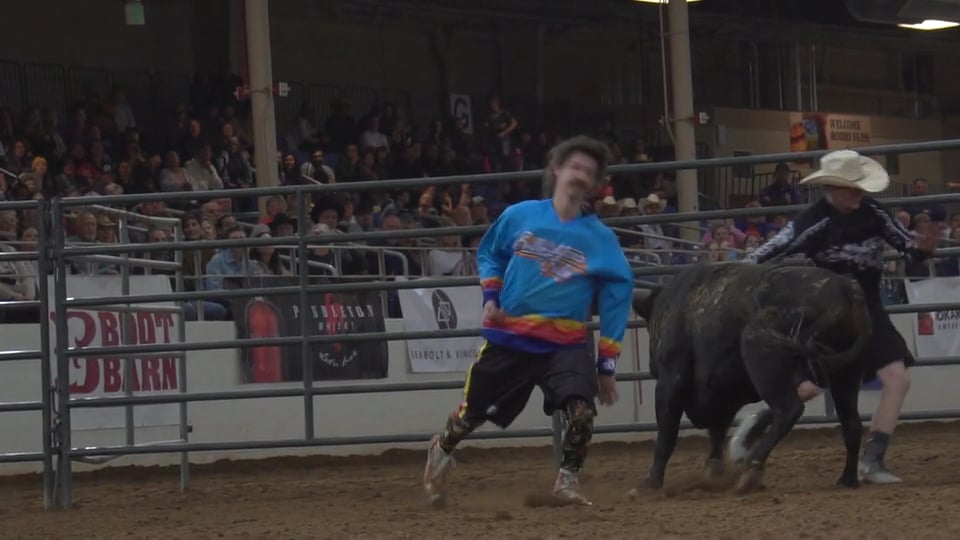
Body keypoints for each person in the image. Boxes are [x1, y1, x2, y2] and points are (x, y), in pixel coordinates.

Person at [422, 136, 634, 507]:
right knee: (471, 416)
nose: (580, 174)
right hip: (509, 339)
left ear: (596, 183)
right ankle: (441, 446)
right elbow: (490, 254)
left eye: (589, 170)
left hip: (564, 346)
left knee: (582, 415)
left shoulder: (601, 241)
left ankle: (566, 484)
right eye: (575, 166)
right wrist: (491, 297)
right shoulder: (519, 216)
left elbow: (617, 300)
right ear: (557, 170)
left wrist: (607, 364)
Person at [731, 149, 938, 484]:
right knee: (810, 388)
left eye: (859, 186)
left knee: (897, 379)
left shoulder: (873, 213)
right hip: (825, 313)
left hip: (867, 306)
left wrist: (922, 249)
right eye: (851, 186)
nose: (858, 192)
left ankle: (873, 459)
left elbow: (905, 246)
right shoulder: (814, 221)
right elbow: (768, 251)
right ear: (832, 188)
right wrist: (736, 274)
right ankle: (757, 422)